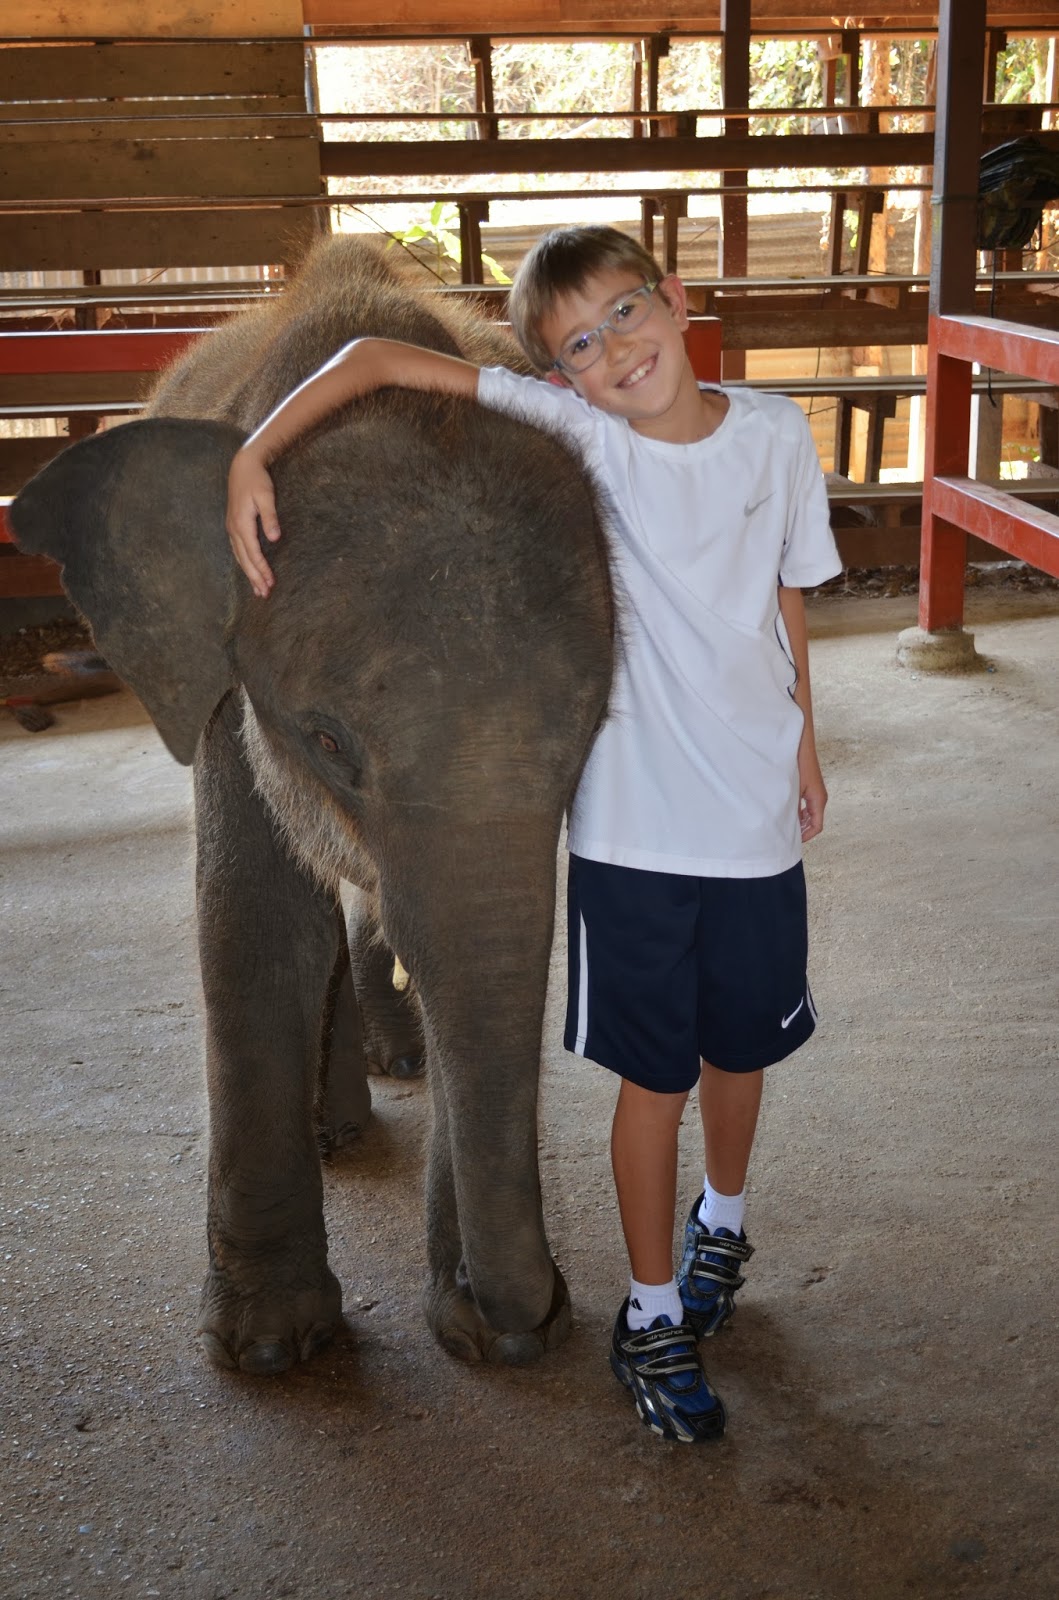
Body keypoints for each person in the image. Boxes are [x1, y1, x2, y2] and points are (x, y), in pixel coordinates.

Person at [226, 225, 842, 1445]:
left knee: (742, 1051)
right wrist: (251, 450)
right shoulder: (584, 434)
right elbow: (371, 358)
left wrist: (805, 743)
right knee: (653, 1079)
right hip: (638, 835)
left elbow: (785, 591)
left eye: (627, 314)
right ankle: (651, 1314)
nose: (615, 350)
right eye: (579, 346)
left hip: (751, 818)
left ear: (675, 301)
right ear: (559, 377)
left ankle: (721, 1225)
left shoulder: (773, 435)